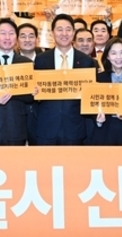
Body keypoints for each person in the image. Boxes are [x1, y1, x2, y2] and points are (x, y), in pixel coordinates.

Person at [34, 14, 96, 145]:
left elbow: (90, 96)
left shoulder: (86, 61)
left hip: (75, 128)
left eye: (68, 29)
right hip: (47, 127)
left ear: (73, 33)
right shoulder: (41, 59)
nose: (64, 33)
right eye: (60, 29)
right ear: (52, 33)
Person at [93, 38, 122, 145]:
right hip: (105, 132)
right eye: (114, 53)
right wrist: (98, 120)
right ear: (107, 56)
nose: (118, 57)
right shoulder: (98, 79)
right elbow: (91, 106)